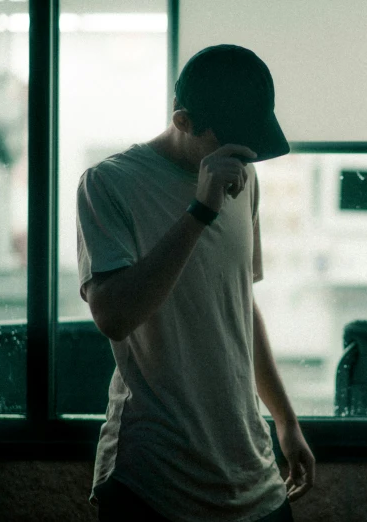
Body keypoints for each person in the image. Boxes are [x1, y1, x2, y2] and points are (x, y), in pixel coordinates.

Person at [77, 44, 315, 522]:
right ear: (182, 121)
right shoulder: (109, 184)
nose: (241, 157)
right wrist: (200, 211)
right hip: (154, 479)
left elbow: (239, 304)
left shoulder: (243, 176)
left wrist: (286, 422)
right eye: (226, 143)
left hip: (252, 471)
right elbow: (114, 317)